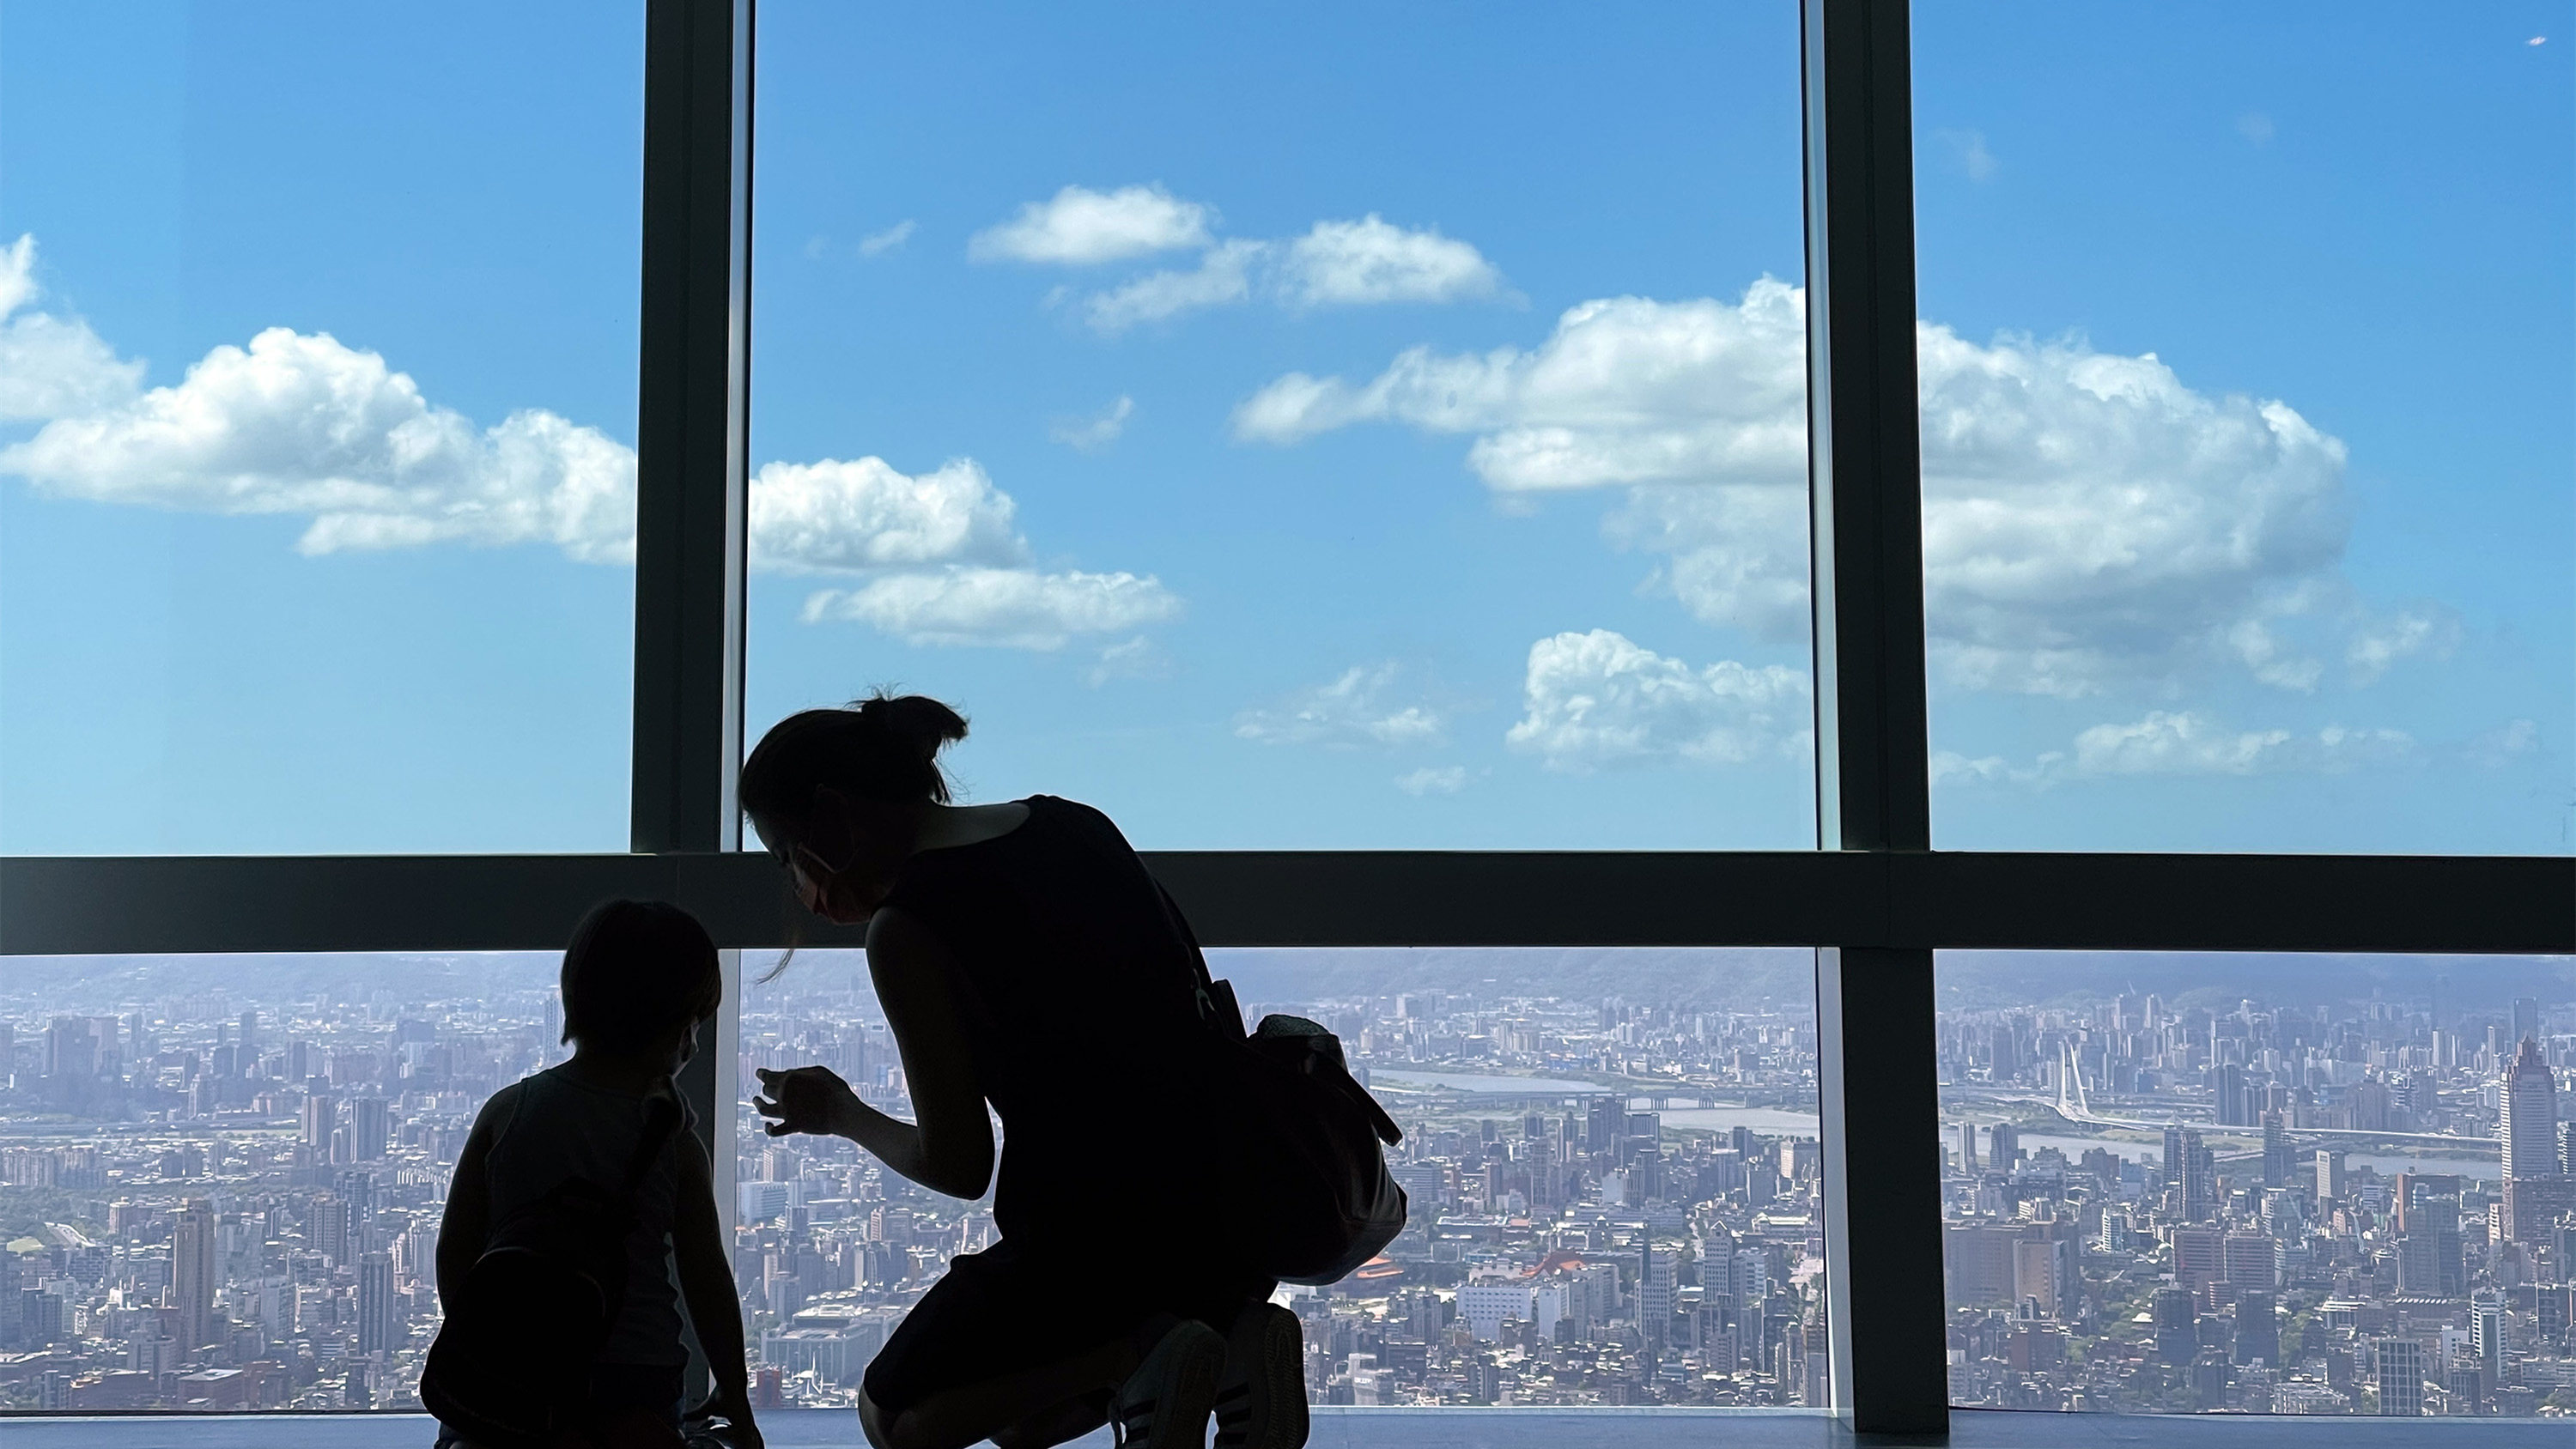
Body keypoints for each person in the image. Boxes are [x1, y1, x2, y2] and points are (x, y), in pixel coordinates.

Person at [743, 694, 1305, 1449]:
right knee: (1018, 1418)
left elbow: (960, 1164)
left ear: (832, 820)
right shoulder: (1076, 824)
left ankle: (1139, 1351)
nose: (798, 884)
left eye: (786, 855)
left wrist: (841, 1111)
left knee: (895, 1416)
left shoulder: (909, 926)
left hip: (1095, 1241)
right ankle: (1234, 1336)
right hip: (1234, 1210)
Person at [436, 900, 762, 1449]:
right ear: (682, 1029)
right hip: (636, 1384)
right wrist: (735, 1391)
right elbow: (706, 1282)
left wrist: (487, 1346)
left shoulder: (507, 1112)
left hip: (514, 1374)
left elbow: (455, 1252)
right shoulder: (673, 1143)